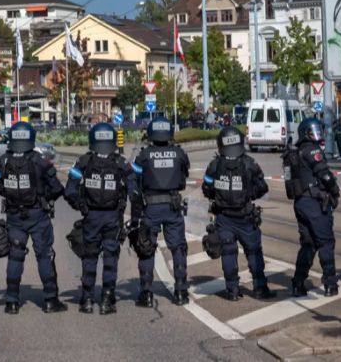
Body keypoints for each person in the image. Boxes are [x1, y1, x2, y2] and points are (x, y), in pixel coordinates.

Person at [0, 121, 66, 314]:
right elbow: (57, 188)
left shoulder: (4, 160)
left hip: (14, 216)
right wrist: (44, 197)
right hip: (38, 215)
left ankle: (12, 301)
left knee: (15, 257)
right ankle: (50, 300)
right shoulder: (38, 160)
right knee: (44, 256)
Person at [202, 127, 276, 300]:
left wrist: (218, 195)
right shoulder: (249, 163)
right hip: (245, 217)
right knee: (254, 253)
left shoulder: (214, 165)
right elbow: (262, 188)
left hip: (223, 218)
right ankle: (259, 288)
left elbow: (206, 189)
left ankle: (232, 290)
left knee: (228, 253)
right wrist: (249, 194)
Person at [64, 123, 127, 314]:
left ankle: (87, 299)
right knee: (110, 258)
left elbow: (69, 191)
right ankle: (108, 299)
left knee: (89, 257)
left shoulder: (83, 162)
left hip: (91, 216)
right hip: (112, 216)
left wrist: (82, 207)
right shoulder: (120, 162)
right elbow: (134, 188)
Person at [128, 116, 190, 307]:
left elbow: (133, 181)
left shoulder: (144, 155)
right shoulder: (179, 153)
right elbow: (184, 176)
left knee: (146, 248)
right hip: (173, 207)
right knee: (178, 248)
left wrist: (136, 209)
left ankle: (146, 294)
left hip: (151, 208)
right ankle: (181, 292)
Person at [284, 117, 340, 297]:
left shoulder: (293, 153)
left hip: (300, 203)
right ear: (305, 134)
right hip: (315, 203)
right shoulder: (312, 150)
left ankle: (298, 283)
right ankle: (330, 284)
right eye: (313, 131)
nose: (317, 135)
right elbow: (325, 176)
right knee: (325, 242)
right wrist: (335, 191)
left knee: (308, 244)